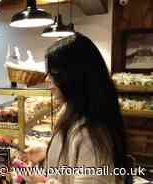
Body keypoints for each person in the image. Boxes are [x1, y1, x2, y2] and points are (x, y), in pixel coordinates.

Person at [24, 33, 132, 184]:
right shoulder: (71, 108)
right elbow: (71, 154)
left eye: (53, 73)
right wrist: (45, 151)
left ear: (74, 77)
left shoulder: (91, 134)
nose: (47, 79)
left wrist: (40, 182)